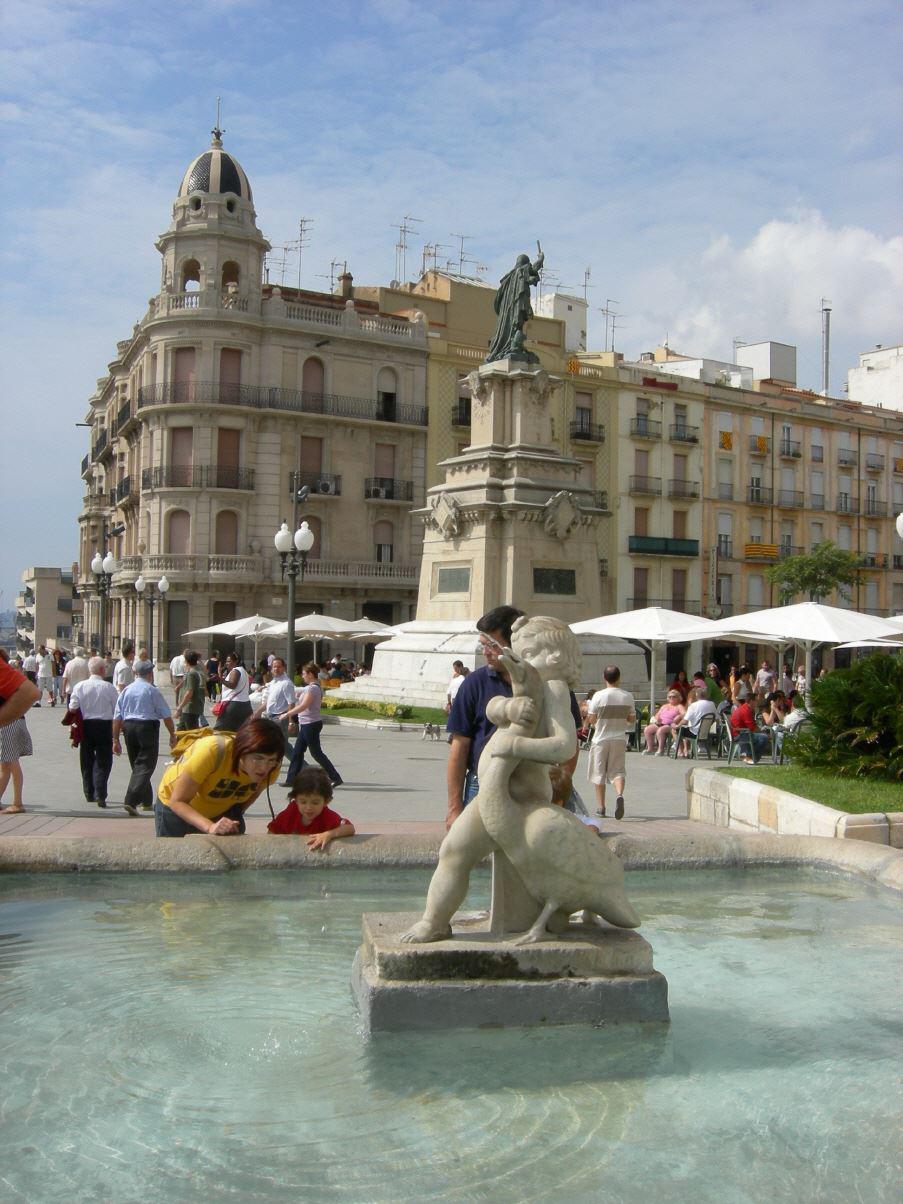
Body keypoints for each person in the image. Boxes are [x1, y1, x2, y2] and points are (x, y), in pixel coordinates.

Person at [446, 605, 582, 829]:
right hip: (483, 785)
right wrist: (454, 807)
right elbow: (459, 747)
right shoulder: (475, 683)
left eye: (492, 645)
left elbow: (570, 746)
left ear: (514, 646)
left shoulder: (551, 687)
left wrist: (560, 784)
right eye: (483, 645)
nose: (486, 652)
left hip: (534, 786)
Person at [155, 716, 284, 837]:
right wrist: (210, 826)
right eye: (258, 758)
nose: (264, 768)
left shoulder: (273, 766)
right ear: (241, 751)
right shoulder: (214, 751)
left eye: (271, 760)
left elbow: (253, 794)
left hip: (220, 809)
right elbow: (177, 802)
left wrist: (231, 816)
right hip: (176, 805)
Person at [113, 660, 176, 815]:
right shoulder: (151, 690)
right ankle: (131, 800)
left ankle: (146, 801)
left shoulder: (127, 690)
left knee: (137, 764)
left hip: (129, 727)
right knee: (146, 765)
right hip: (146, 727)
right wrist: (172, 734)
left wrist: (115, 739)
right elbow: (166, 715)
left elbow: (117, 716)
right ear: (149, 674)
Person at [68, 655, 119, 807]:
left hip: (86, 725)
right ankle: (100, 793)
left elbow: (72, 707)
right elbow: (117, 708)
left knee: (86, 758)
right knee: (104, 760)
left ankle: (89, 792)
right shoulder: (109, 687)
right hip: (104, 726)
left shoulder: (80, 686)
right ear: (102, 670)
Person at [282, 663, 343, 787]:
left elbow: (304, 705)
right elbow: (298, 694)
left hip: (311, 724)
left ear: (310, 674)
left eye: (304, 674)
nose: (302, 676)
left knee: (316, 753)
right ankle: (291, 780)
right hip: (306, 724)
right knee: (297, 752)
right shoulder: (310, 688)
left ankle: (335, 777)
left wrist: (287, 713)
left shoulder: (313, 688)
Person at [586, 664, 635, 819]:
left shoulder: (598, 696)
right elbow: (631, 719)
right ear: (619, 678)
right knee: (618, 771)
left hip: (600, 739)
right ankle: (619, 794)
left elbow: (592, 718)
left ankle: (601, 808)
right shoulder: (627, 696)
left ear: (604, 678)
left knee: (598, 773)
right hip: (619, 738)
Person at [267, 766, 355, 848]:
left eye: (315, 803)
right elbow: (273, 831)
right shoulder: (292, 811)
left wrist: (328, 834)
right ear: (296, 800)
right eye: (303, 802)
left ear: (326, 801)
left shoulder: (326, 815)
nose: (308, 807)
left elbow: (349, 828)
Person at [0, 648, 35, 813]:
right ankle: (15, 802)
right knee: (8, 765)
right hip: (16, 722)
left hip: (8, 725)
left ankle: (18, 803)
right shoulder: (11, 677)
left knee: (10, 764)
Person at [257, 655, 296, 740]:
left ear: (284, 668)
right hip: (270, 717)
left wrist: (291, 722)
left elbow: (291, 703)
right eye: (274, 667)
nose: (276, 669)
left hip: (281, 719)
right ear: (271, 669)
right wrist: (258, 711)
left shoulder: (286, 683)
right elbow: (269, 700)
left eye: (279, 667)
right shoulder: (274, 682)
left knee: (281, 743)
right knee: (273, 743)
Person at [215, 652, 253, 731]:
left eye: (229, 661)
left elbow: (232, 685)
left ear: (236, 661)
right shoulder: (244, 671)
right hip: (246, 705)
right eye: (226, 661)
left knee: (220, 730)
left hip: (234, 706)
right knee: (241, 731)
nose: (227, 663)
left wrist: (220, 679)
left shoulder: (235, 671)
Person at [642, 690, 686, 755]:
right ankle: (650, 749)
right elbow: (658, 715)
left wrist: (678, 717)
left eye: (674, 696)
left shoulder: (679, 706)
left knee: (660, 730)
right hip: (661, 723)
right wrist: (657, 720)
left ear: (679, 698)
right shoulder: (664, 706)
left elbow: (685, 714)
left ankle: (660, 750)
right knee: (647, 729)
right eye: (670, 697)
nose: (671, 698)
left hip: (670, 725)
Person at [677, 687, 717, 757]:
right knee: (685, 727)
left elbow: (685, 721)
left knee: (677, 730)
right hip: (707, 732)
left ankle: (681, 751)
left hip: (694, 732)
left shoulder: (693, 705)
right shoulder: (712, 704)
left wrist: (677, 725)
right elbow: (717, 718)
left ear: (696, 695)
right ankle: (687, 750)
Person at [730, 696, 771, 764]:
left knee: (761, 736)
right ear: (751, 701)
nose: (757, 702)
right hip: (740, 735)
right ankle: (750, 756)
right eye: (756, 701)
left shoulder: (744, 708)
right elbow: (752, 728)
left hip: (739, 733)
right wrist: (765, 733)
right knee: (764, 738)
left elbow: (752, 727)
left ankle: (749, 755)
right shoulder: (746, 710)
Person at [174, 651, 206, 730]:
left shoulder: (191, 673)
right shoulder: (199, 671)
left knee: (191, 732)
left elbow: (189, 692)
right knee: (180, 732)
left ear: (186, 661)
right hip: (196, 706)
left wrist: (180, 707)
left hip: (189, 708)